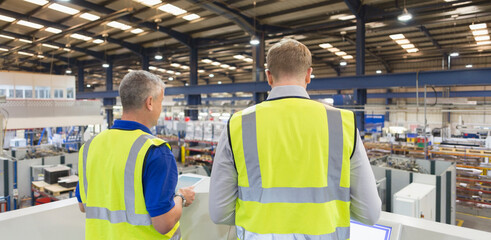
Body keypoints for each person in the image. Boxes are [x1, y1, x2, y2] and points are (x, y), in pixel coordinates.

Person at [209, 39, 381, 240]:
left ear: (269, 77)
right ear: (308, 75)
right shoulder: (343, 123)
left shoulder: (238, 124)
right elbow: (370, 213)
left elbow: (219, 212)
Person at [75, 70, 195, 239]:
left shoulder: (90, 146)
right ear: (150, 102)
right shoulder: (155, 151)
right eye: (161, 102)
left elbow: (83, 205)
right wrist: (181, 197)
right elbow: (163, 223)